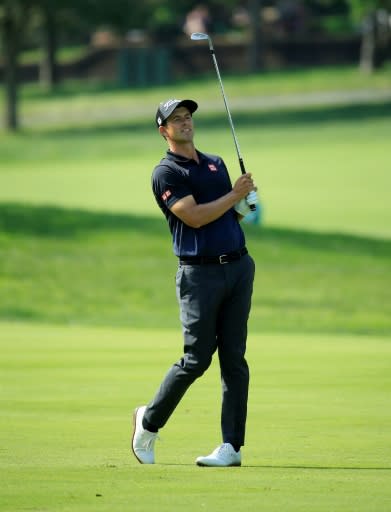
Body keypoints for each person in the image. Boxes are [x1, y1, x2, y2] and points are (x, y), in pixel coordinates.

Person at [131, 98, 258, 467]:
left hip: (238, 267)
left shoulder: (216, 163)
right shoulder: (166, 173)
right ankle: (148, 422)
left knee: (234, 359)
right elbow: (195, 217)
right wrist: (234, 194)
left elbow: (227, 217)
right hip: (198, 275)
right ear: (163, 131)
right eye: (176, 119)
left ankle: (231, 447)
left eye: (188, 117)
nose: (185, 122)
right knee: (196, 359)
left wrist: (244, 205)